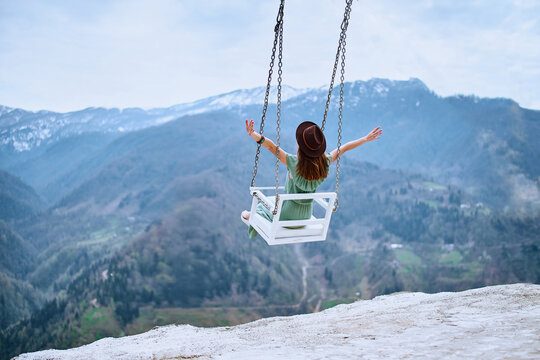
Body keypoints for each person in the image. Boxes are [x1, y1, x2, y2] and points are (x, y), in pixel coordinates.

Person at [242, 119, 382, 239]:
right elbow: (343, 148)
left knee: (259, 207)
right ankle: (255, 216)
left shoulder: (293, 162)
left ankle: (251, 217)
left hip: (287, 216)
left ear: (301, 148)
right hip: (305, 216)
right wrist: (365, 139)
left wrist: (253, 134)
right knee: (273, 199)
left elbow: (271, 146)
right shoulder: (324, 163)